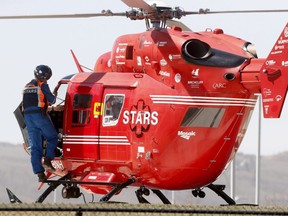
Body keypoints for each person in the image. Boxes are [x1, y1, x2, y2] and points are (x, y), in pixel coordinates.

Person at [22, 65, 63, 182]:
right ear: (46, 77)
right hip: (40, 117)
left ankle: (40, 173)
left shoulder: (28, 86)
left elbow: (31, 105)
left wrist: (52, 109)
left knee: (35, 146)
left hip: (28, 118)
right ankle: (48, 160)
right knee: (52, 138)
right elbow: (53, 100)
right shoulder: (42, 85)